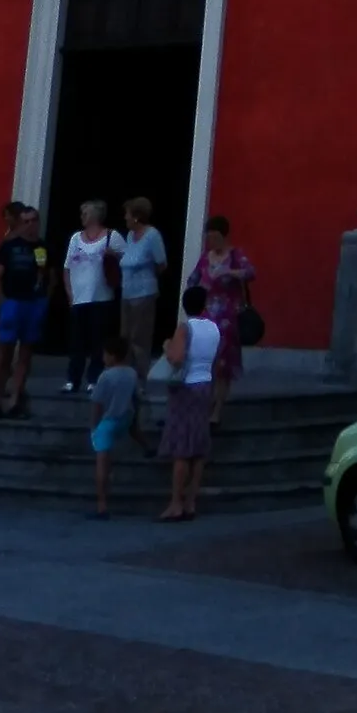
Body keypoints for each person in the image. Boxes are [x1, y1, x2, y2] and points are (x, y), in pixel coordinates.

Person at [158, 283, 220, 519]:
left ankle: (175, 502)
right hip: (205, 384)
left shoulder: (185, 328)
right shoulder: (214, 329)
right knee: (199, 448)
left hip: (186, 388)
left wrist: (166, 346)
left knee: (182, 449)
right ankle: (191, 501)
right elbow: (214, 361)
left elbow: (176, 358)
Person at [188, 216, 257, 426]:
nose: (212, 241)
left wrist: (231, 272)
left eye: (215, 237)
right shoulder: (205, 258)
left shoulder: (235, 256)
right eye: (209, 237)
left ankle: (217, 409)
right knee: (206, 362)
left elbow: (251, 273)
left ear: (223, 236)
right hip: (207, 316)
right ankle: (205, 404)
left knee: (222, 366)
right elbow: (192, 280)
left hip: (228, 319)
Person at [0, 204, 48, 422]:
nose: (30, 225)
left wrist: (43, 299)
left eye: (34, 220)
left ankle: (15, 398)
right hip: (12, 302)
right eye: (26, 221)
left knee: (25, 354)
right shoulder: (9, 247)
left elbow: (46, 273)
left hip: (32, 303)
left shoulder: (42, 248)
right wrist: (3, 302)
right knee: (4, 354)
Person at [61, 200, 124, 398]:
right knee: (77, 341)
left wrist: (113, 255)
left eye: (85, 212)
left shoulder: (112, 236)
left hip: (102, 297)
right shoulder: (75, 238)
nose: (82, 216)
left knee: (99, 341)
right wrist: (70, 293)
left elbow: (128, 261)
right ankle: (73, 379)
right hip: (79, 298)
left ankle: (94, 379)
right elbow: (67, 268)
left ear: (96, 215)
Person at [86, 336, 140, 519]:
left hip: (107, 421)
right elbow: (136, 397)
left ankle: (102, 505)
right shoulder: (132, 373)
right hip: (125, 416)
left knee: (101, 461)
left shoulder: (105, 376)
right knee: (131, 432)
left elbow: (97, 403)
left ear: (111, 356)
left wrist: (94, 425)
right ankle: (147, 446)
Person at [114, 198, 168, 379]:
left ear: (136, 217)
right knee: (125, 337)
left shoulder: (152, 235)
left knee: (140, 339)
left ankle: (140, 379)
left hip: (144, 294)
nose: (125, 218)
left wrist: (146, 276)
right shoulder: (130, 236)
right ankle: (125, 377)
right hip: (127, 293)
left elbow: (161, 263)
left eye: (127, 214)